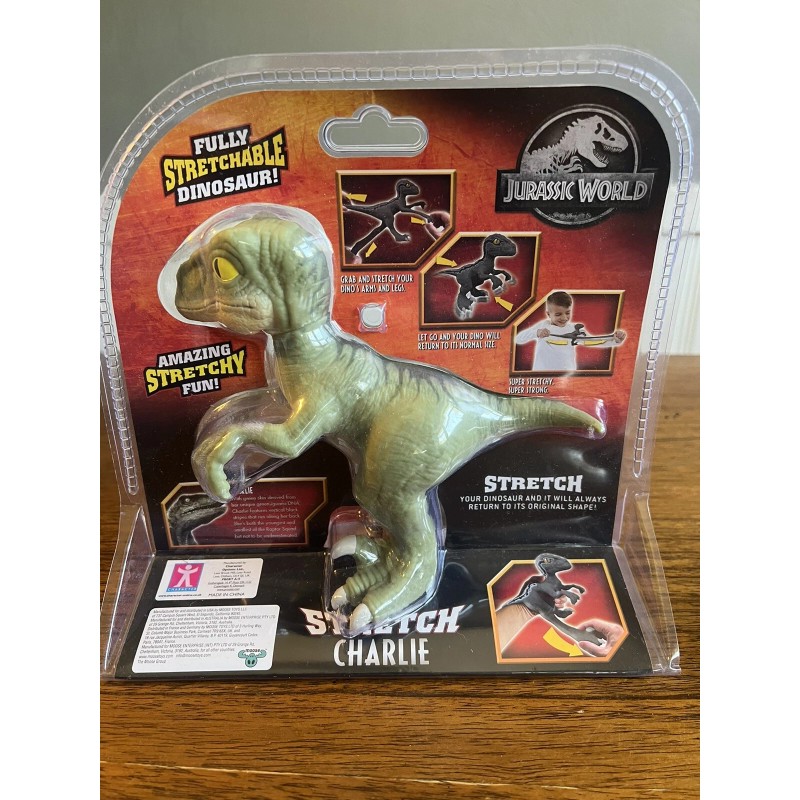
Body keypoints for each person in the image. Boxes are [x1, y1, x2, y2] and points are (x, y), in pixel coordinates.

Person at [515, 290, 626, 372]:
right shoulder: (543, 325)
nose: (564, 318)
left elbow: (593, 341)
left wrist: (614, 339)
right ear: (548, 314)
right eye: (558, 314)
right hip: (542, 375)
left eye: (567, 313)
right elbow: (518, 339)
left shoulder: (575, 329)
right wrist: (536, 332)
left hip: (567, 376)